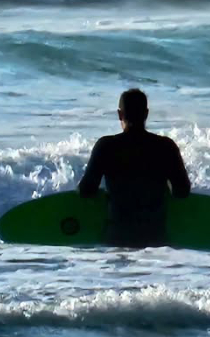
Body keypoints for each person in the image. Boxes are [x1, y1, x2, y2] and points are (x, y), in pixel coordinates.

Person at [77, 88, 191, 247]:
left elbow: (86, 190)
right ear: (146, 114)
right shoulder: (166, 147)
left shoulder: (106, 146)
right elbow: (182, 192)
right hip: (156, 243)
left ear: (119, 114)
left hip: (117, 241)